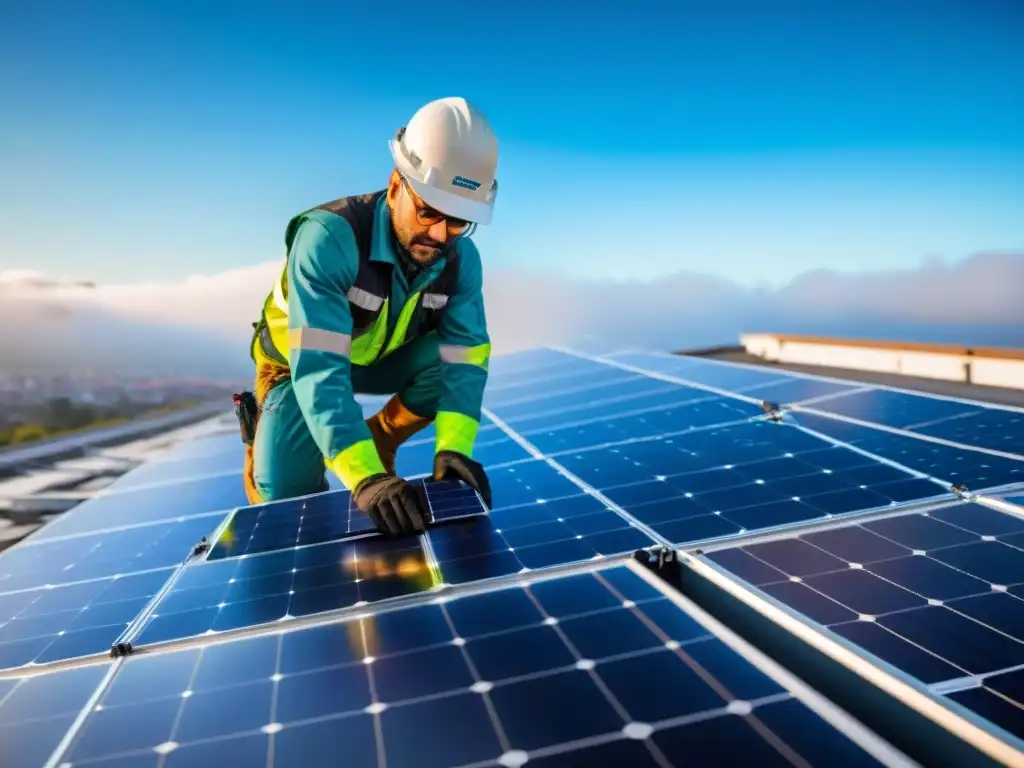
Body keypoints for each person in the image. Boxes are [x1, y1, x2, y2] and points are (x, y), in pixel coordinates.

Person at [236, 96, 496, 536]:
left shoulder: (461, 259)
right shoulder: (329, 238)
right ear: (396, 185)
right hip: (295, 365)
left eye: (457, 222)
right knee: (284, 494)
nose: (438, 235)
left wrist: (455, 449)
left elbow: (467, 358)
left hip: (378, 357)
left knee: (450, 357)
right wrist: (367, 479)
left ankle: (378, 438)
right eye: (429, 211)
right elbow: (320, 371)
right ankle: (268, 433)